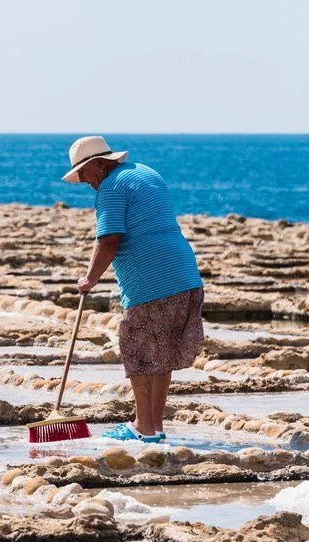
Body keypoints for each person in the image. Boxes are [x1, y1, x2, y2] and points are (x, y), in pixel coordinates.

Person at [64, 136, 204, 443]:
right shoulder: (145, 172)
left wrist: (89, 279)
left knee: (137, 350)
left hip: (152, 284)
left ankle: (142, 426)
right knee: (161, 354)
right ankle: (153, 428)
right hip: (185, 276)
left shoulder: (111, 188)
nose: (87, 183)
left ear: (99, 164)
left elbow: (109, 239)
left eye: (85, 175)